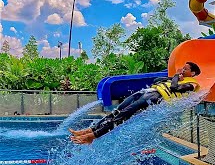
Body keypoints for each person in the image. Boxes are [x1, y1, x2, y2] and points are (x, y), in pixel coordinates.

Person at [69, 61, 201, 145]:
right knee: (116, 111)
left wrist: (177, 77)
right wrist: (174, 77)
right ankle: (89, 130)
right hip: (147, 91)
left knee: (124, 114)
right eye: (182, 68)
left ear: (193, 73)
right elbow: (157, 80)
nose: (182, 70)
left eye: (185, 69)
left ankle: (92, 136)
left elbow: (173, 89)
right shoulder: (176, 79)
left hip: (156, 97)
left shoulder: (192, 84)